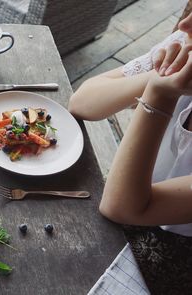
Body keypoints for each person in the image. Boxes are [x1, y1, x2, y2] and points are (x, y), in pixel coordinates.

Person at [68, 11, 192, 294]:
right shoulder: (185, 43)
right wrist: (159, 76)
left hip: (173, 250)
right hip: (125, 193)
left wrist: (161, 94)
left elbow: (120, 208)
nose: (184, 24)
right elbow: (82, 102)